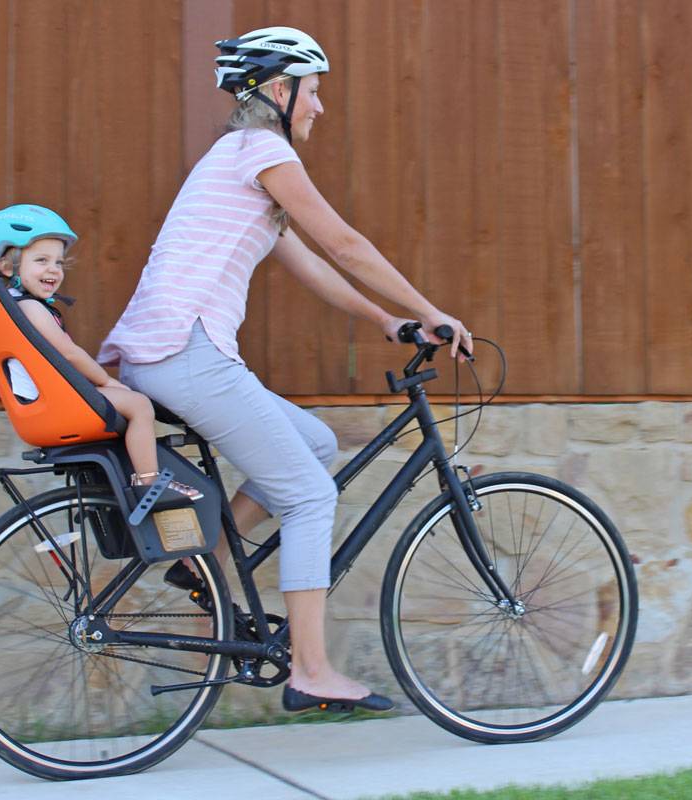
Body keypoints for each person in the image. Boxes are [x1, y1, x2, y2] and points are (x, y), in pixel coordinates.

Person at [97, 27, 473, 712]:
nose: (319, 108)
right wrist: (433, 310)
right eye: (314, 91)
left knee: (317, 446)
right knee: (309, 496)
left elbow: (316, 265)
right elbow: (345, 242)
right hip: (189, 353)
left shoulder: (240, 163)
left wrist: (390, 322)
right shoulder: (262, 150)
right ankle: (311, 669)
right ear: (280, 90)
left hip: (169, 356)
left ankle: (203, 558)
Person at [0, 204, 202, 500]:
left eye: (58, 262)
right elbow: (69, 354)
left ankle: (130, 479)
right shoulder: (30, 308)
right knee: (139, 406)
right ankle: (149, 481)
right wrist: (106, 382)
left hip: (42, 405)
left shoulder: (10, 307)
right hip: (57, 405)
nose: (53, 270)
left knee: (130, 405)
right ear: (7, 268)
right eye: (41, 260)